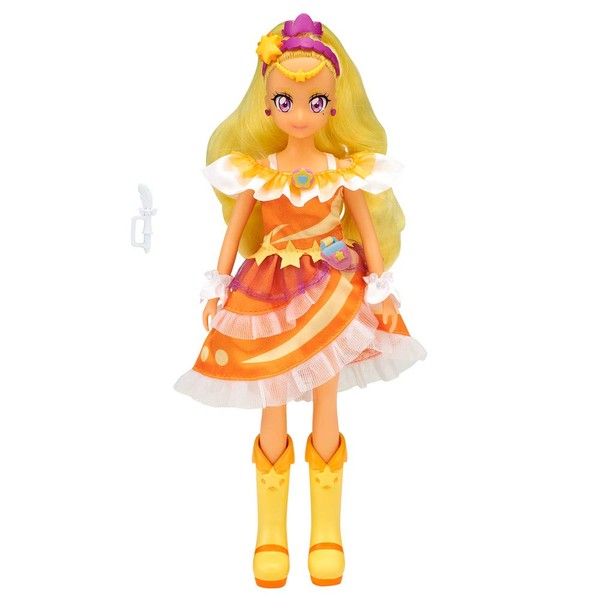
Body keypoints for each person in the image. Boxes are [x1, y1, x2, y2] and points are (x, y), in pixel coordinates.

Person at [174, 12, 426, 587]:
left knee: (326, 398)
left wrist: (381, 289)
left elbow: (367, 233)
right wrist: (217, 287)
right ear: (267, 106)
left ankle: (326, 534)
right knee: (274, 393)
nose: (300, 113)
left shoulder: (344, 171)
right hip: (271, 287)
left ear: (334, 106)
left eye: (316, 101)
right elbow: (234, 235)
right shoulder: (258, 172)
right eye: (285, 101)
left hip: (334, 286)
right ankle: (270, 535)